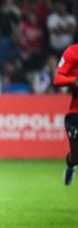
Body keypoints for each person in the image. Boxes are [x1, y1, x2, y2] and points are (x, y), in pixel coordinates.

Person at [53, 43, 78, 186]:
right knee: (76, 157)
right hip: (75, 111)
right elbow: (58, 79)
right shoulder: (72, 52)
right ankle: (71, 164)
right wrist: (74, 81)